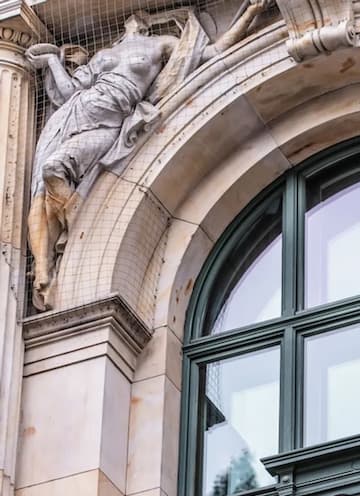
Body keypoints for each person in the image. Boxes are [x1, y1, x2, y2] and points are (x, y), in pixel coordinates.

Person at [26, 2, 272, 310]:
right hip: (73, 115)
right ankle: (44, 263)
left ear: (150, 21)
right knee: (42, 185)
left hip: (110, 123)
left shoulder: (161, 43)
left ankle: (76, 214)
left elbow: (211, 53)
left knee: (54, 168)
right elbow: (68, 92)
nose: (135, 17)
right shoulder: (106, 53)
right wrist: (52, 60)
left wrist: (249, 13)